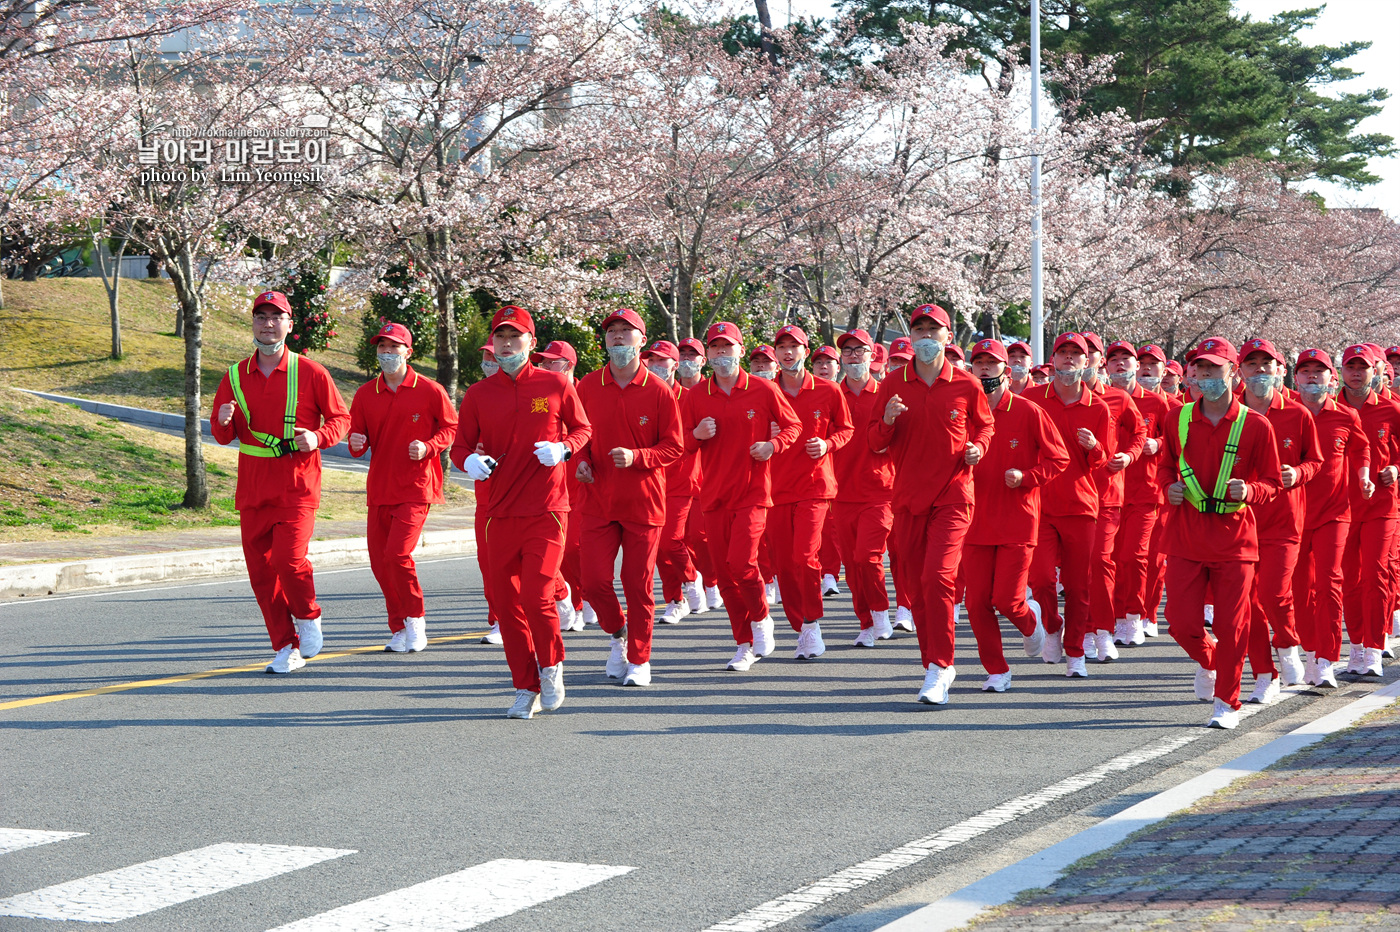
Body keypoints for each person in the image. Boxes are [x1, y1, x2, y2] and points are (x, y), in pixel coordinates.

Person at [450, 305, 592, 719]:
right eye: (500, 338)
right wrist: (466, 464)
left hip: (546, 509)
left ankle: (550, 667)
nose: (507, 345)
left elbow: (583, 429)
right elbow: (460, 445)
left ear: (531, 342)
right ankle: (523, 685)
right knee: (506, 603)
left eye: (516, 338)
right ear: (493, 344)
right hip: (498, 511)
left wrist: (563, 448)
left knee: (537, 595)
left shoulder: (556, 383)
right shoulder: (479, 393)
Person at [211, 290, 350, 675]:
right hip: (253, 489)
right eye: (261, 316)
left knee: (289, 561)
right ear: (253, 323)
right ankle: (284, 646)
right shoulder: (235, 375)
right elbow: (224, 436)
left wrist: (318, 438)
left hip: (297, 485)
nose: (268, 324)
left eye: (276, 317)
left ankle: (308, 616)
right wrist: (222, 420)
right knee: (261, 574)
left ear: (289, 325)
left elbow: (341, 419)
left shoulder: (311, 371)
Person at [869, 304, 994, 704]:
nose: (926, 336)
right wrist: (887, 419)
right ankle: (933, 663)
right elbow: (873, 441)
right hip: (907, 499)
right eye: (919, 328)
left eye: (933, 329)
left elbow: (985, 425)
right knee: (916, 587)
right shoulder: (892, 383)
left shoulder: (965, 384)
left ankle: (941, 666)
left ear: (948, 336)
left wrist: (977, 447)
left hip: (954, 496)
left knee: (939, 577)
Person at [1162, 337, 1283, 729]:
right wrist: (1168, 488)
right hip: (1186, 535)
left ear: (1234, 372)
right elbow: (1164, 466)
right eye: (1201, 369)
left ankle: (1227, 703)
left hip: (1235, 540)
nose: (1207, 375)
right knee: (1179, 621)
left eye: (1215, 368)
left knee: (1234, 625)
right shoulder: (1177, 418)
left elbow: (1272, 482)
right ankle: (1211, 658)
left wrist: (1250, 491)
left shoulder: (1256, 424)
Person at [681, 322, 801, 670]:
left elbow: (793, 426)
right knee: (723, 571)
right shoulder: (696, 396)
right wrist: (697, 435)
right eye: (715, 348)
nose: (721, 353)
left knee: (742, 563)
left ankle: (762, 618)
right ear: (708, 354)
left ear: (739, 349)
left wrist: (772, 445)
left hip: (752, 493)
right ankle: (744, 642)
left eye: (727, 347)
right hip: (714, 496)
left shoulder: (762, 390)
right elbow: (680, 444)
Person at [573, 309, 684, 687]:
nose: (618, 337)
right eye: (612, 331)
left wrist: (639, 457)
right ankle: (618, 633)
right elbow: (576, 435)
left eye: (626, 331)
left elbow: (674, 447)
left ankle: (639, 658)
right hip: (598, 501)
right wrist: (582, 461)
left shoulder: (658, 390)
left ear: (641, 339)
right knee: (593, 581)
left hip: (643, 501)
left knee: (637, 583)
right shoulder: (587, 386)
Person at [347, 322, 458, 653]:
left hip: (416, 487)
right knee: (380, 564)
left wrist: (429, 446)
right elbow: (356, 442)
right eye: (382, 347)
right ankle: (398, 627)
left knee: (397, 555)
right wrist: (355, 442)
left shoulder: (430, 389)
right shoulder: (366, 394)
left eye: (394, 347)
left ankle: (416, 619)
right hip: (380, 488)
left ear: (408, 352)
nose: (387, 353)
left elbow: (451, 427)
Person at [964, 339, 1069, 690]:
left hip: (1017, 520)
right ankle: (997, 670)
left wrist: (1027, 477)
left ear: (1006, 373)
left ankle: (1030, 620)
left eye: (990, 365)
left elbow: (1059, 459)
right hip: (972, 521)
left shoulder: (1028, 411)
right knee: (976, 602)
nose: (983, 371)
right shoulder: (961, 412)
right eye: (977, 364)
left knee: (1007, 599)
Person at [1023, 332, 1112, 677]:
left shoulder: (1098, 407)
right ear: (1054, 359)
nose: (1070, 359)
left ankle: (1076, 650)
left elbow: (1102, 462)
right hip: (1039, 505)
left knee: (1079, 585)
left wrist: (1093, 448)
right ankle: (1052, 624)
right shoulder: (1031, 399)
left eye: (1078, 354)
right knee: (1042, 579)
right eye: (1064, 353)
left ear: (1088, 360)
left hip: (1080, 506)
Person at [1237, 338, 1320, 698]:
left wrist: (1297, 475)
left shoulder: (1297, 413)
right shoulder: (1229, 413)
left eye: (1266, 364)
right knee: (1246, 602)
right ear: (1239, 371)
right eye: (1251, 364)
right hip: (1239, 522)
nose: (1259, 371)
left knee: (1274, 592)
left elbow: (1315, 461)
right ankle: (1263, 673)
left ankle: (1286, 643)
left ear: (1280, 370)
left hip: (1284, 521)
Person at [767, 324, 854, 659]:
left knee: (805, 557)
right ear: (775, 354)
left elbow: (846, 429)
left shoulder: (828, 391)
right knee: (784, 565)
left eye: (795, 346)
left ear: (806, 351)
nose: (788, 352)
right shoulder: (763, 391)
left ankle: (813, 621)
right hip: (774, 489)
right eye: (782, 347)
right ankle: (801, 624)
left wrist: (828, 443)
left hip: (815, 485)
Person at [1292, 349, 1370, 687]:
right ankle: (1309, 650)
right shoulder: (1283, 415)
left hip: (1334, 514)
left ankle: (1325, 658)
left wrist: (1364, 474)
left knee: (1329, 584)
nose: (1312, 377)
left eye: (1318, 371)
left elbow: (1361, 448)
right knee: (1297, 591)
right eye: (1305, 371)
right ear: (1294, 378)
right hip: (1290, 516)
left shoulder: (1346, 416)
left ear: (1331, 378)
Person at [1081, 334, 1145, 663]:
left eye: (1090, 353)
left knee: (1101, 561)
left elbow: (1139, 433)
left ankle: (1102, 630)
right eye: (1075, 353)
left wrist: (1130, 456)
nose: (1083, 358)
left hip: (1106, 494)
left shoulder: (1118, 399)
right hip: (1065, 498)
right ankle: (1065, 629)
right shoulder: (1047, 397)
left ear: (1097, 361)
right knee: (1061, 574)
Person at [1337, 344, 1400, 677]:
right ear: (1341, 371)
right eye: (1351, 367)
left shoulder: (1390, 410)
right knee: (1351, 580)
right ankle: (1357, 646)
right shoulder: (1330, 410)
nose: (1357, 373)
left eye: (1363, 367)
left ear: (1374, 371)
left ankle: (1375, 648)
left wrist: (1397, 469)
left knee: (1376, 574)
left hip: (1382, 506)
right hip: (1341, 508)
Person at [834, 329, 897, 647]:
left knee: (869, 556)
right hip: (841, 492)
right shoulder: (832, 395)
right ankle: (866, 621)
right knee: (852, 563)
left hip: (880, 491)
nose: (854, 355)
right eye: (847, 351)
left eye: (860, 350)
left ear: (873, 355)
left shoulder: (888, 393)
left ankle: (882, 612)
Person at [1105, 341, 1170, 647]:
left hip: (1146, 491)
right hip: (1108, 491)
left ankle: (1136, 615)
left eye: (1126, 360)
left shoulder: (1158, 403)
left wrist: (1160, 445)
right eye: (1113, 359)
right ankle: (1118, 618)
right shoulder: (1099, 400)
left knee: (1136, 556)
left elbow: (1182, 442)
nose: (1121, 364)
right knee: (1113, 558)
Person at [646, 339, 708, 623]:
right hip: (650, 480)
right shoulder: (644, 396)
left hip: (682, 479)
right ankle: (675, 599)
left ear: (675, 365)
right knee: (656, 545)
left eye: (662, 360)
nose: (656, 365)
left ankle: (692, 578)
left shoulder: (691, 397)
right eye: (652, 360)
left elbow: (697, 438)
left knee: (671, 540)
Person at [535, 340, 588, 631]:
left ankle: (584, 598)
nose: (544, 366)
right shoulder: (541, 394)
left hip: (583, 486)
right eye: (542, 361)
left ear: (568, 366)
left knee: (575, 551)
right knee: (556, 552)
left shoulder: (586, 394)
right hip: (550, 487)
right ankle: (571, 601)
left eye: (551, 362)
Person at [1135, 344, 1180, 637]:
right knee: (1125, 558)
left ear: (1164, 370)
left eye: (1154, 364)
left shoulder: (1174, 407)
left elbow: (1180, 445)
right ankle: (1126, 614)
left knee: (1153, 559)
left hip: (1159, 490)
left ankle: (1148, 613)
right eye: (1143, 363)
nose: (1147, 368)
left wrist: (1160, 444)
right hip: (1123, 490)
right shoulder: (1118, 400)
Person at [676, 337, 722, 610]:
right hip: (676, 478)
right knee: (673, 540)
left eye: (692, 356)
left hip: (708, 479)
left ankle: (712, 581)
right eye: (682, 355)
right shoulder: (667, 393)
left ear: (703, 361)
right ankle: (691, 584)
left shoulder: (710, 392)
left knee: (700, 537)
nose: (686, 361)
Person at [473, 344, 505, 645]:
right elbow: (459, 440)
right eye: (486, 358)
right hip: (487, 495)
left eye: (494, 358)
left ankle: (560, 595)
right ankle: (499, 620)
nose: (490, 363)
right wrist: (470, 455)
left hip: (526, 496)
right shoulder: (478, 394)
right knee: (490, 562)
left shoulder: (537, 391)